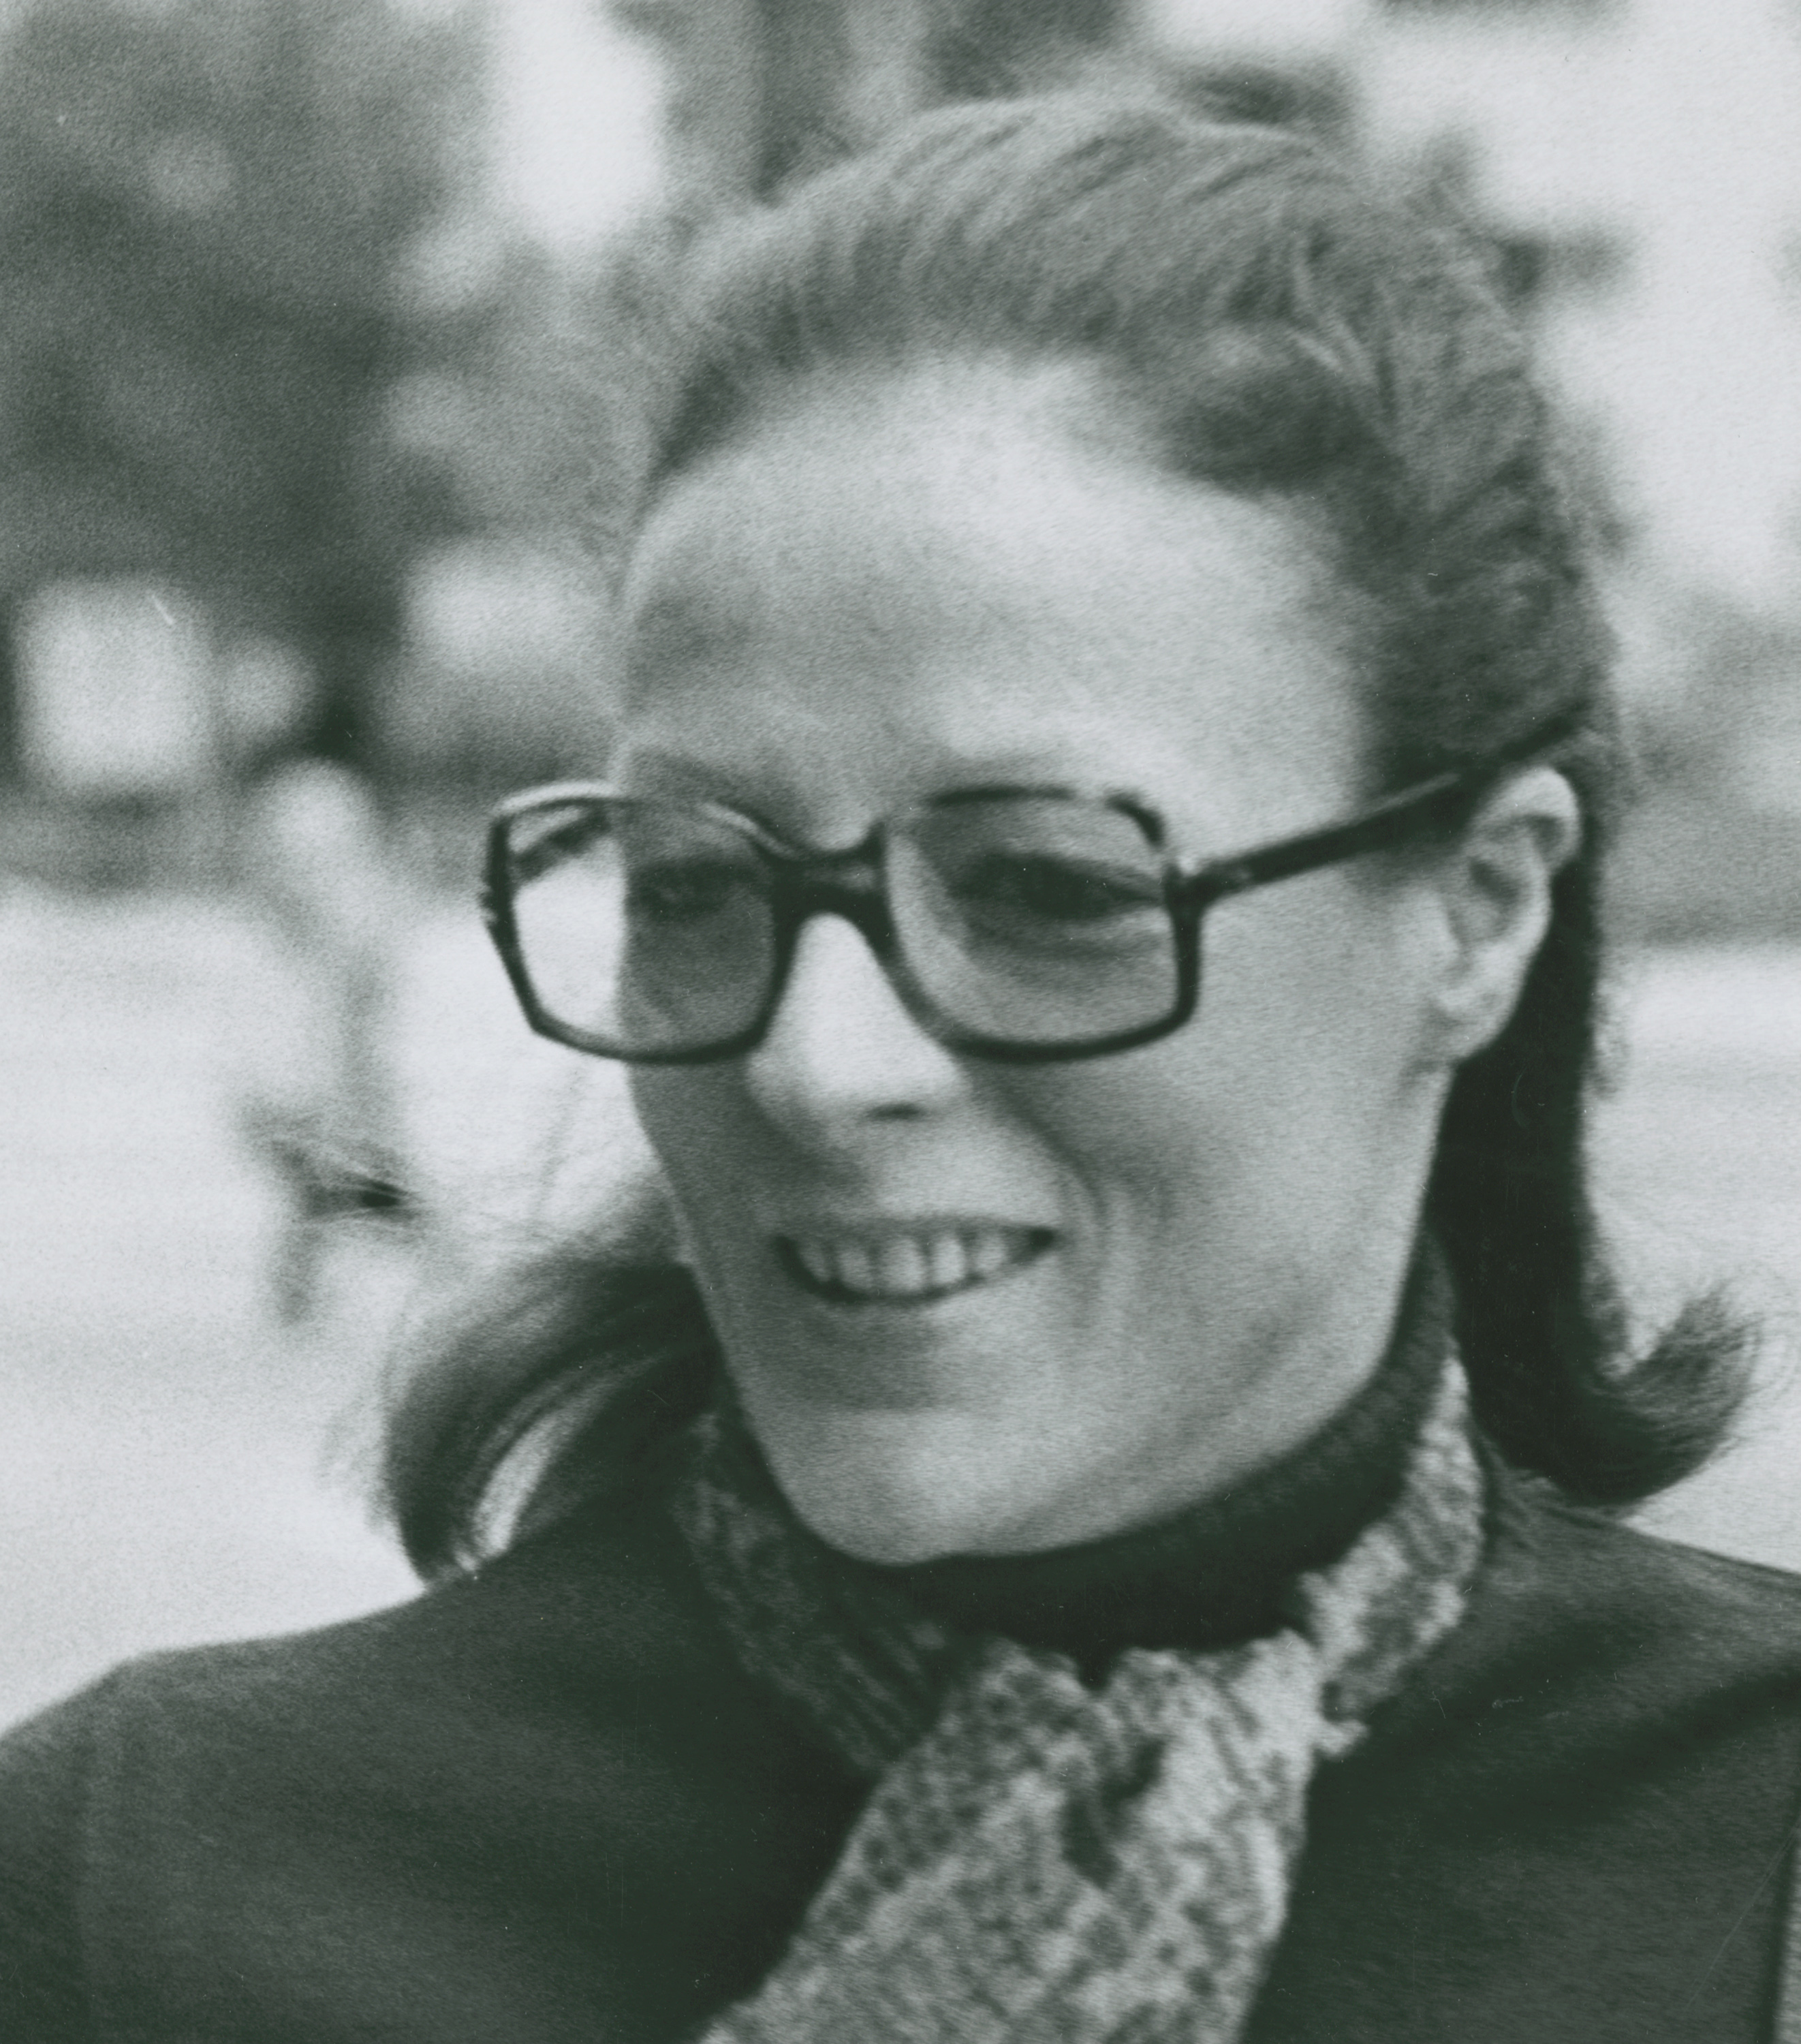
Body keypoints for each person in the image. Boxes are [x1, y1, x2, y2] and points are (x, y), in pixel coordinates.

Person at [4, 90, 1800, 2044]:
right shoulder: (151, 1899)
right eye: (697, 880)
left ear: (1477, 907)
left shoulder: (1744, 1848)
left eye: (1041, 884)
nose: (811, 1060)